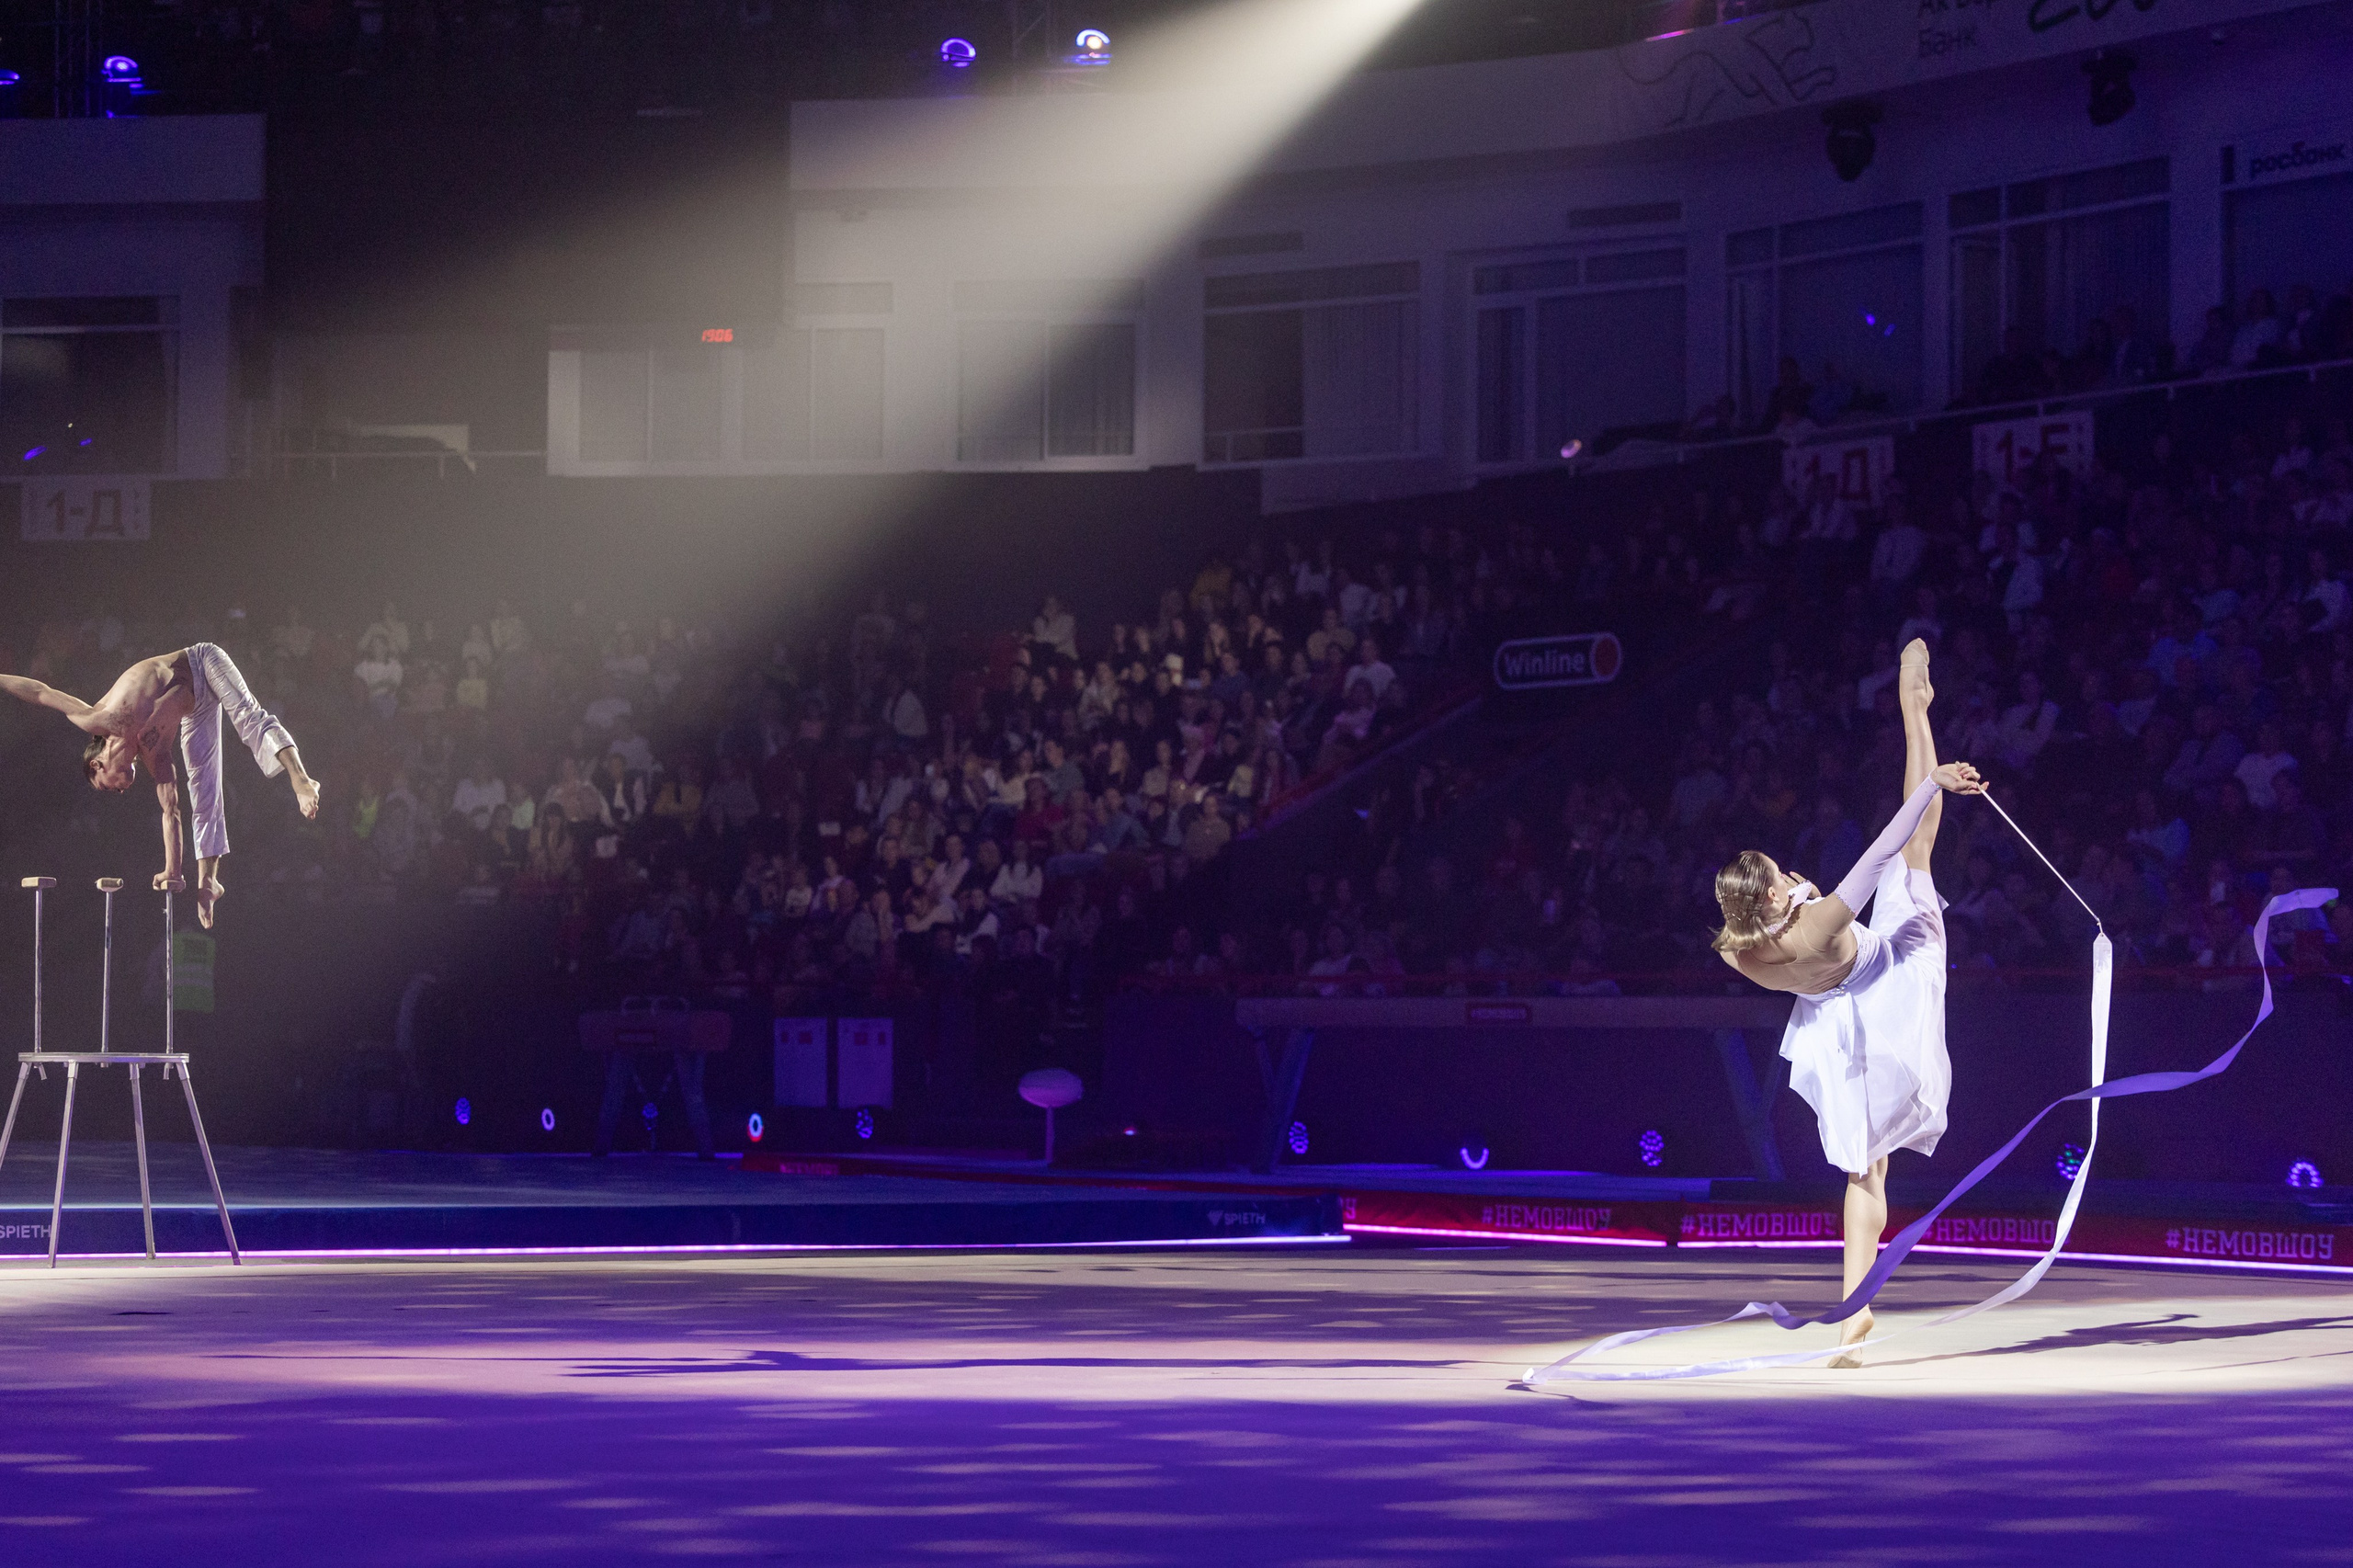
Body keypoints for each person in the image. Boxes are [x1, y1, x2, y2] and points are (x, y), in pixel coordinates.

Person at [1709, 639, 1984, 1364]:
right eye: (1776, 870)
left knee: (1866, 1172)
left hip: (1837, 1026)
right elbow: (1888, 847)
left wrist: (1787, 900)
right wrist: (1938, 784)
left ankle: (1855, 1306)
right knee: (1916, 850)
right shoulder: (1821, 922)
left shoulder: (1741, 952)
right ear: (1772, 891)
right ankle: (1914, 712)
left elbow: (1780, 943)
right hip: (1893, 977)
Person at [3, 644, 324, 927]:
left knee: (247, 716)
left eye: (108, 787)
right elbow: (171, 811)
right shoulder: (155, 754)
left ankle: (300, 778)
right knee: (203, 781)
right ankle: (208, 881)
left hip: (202, 662)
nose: (121, 790)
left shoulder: (98, 717)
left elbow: (41, 693)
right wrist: (172, 870)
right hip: (196, 708)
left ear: (96, 764)